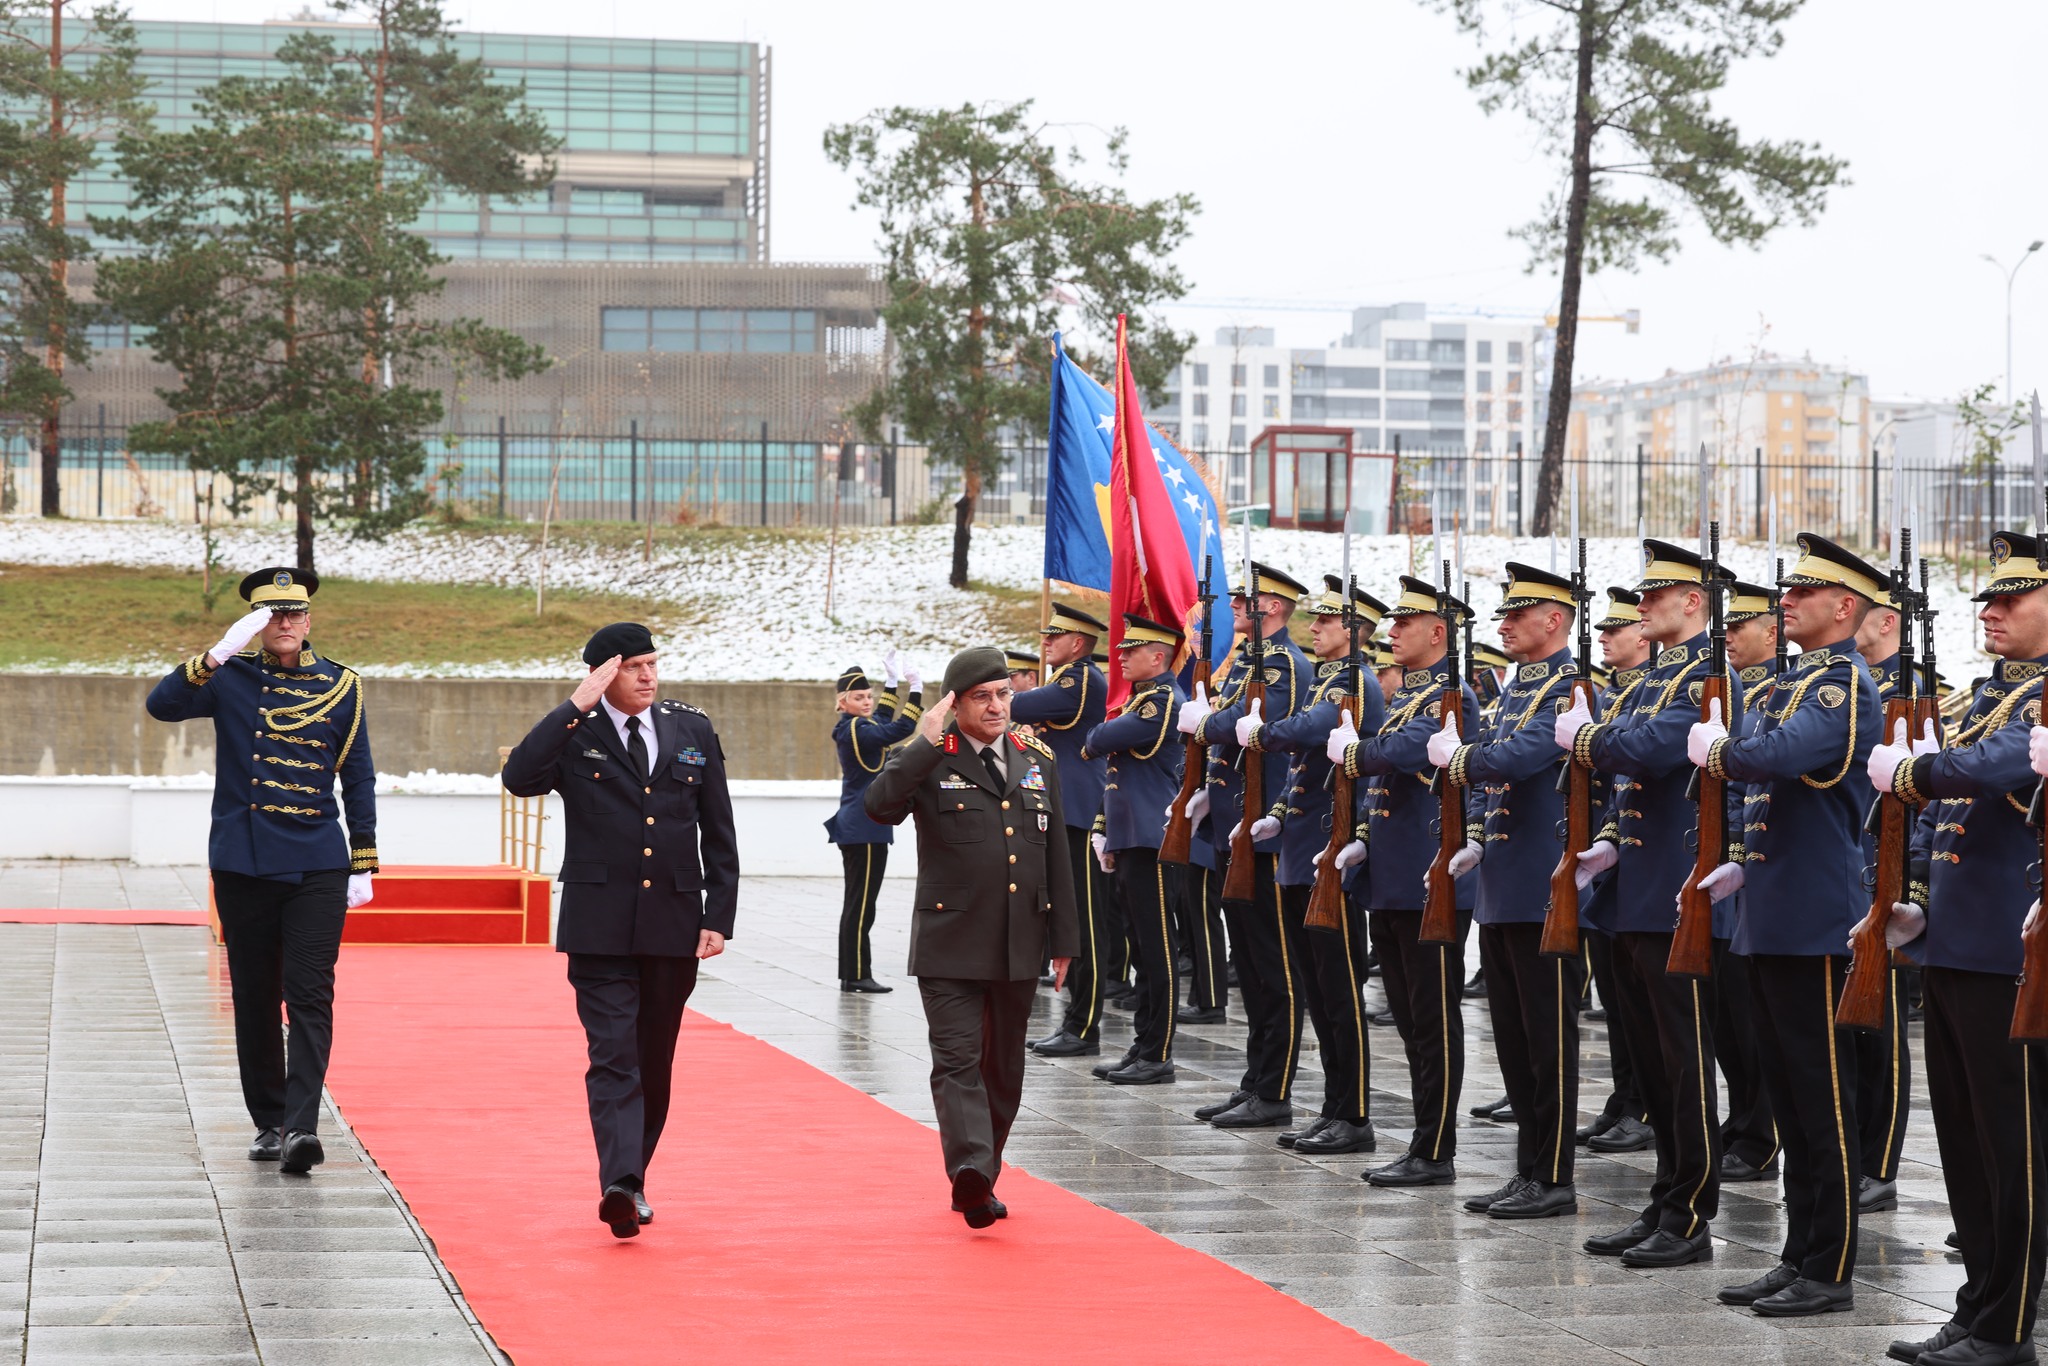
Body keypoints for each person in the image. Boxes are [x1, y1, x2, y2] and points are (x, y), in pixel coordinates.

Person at [1873, 531, 2048, 1366]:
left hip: (2013, 955)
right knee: (1965, 1142)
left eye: (2013, 599)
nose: (1991, 612)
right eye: (1989, 599)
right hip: (1952, 944)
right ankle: (1977, 1305)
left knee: (2015, 1147)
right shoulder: (1988, 696)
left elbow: (1989, 768)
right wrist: (1911, 895)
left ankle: (2008, 1326)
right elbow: (1946, 807)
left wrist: (1915, 771)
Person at [1692, 535, 1879, 1317]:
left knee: (1823, 1100)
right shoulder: (1790, 683)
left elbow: (1781, 753)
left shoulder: (1842, 687)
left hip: (1814, 920)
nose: (1787, 602)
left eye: (1804, 593)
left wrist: (1723, 750)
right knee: (1792, 1100)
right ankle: (1798, 1252)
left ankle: (1829, 1266)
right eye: (1788, 591)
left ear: (1845, 607)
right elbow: (1761, 774)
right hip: (1769, 916)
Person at [502, 623, 739, 1238]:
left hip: (674, 923)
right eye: (633, 666)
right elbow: (520, 778)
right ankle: (620, 1184)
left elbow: (718, 827)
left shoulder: (690, 728)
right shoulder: (575, 730)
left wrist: (719, 916)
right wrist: (576, 705)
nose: (648, 676)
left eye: (651, 663)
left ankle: (633, 1178)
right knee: (613, 1057)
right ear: (602, 674)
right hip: (599, 925)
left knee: (653, 1062)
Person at [145, 567, 377, 1177]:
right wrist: (219, 652)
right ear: (255, 621)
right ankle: (270, 1121)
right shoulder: (231, 677)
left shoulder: (342, 685)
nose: (285, 623)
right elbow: (162, 706)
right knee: (254, 995)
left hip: (316, 861)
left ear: (309, 619)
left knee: (309, 993)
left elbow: (358, 777)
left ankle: (302, 1127)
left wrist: (363, 859)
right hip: (245, 863)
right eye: (272, 614)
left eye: (294, 612)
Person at [1553, 540, 1744, 1269]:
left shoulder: (1708, 678)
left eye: (1655, 595)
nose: (1641, 606)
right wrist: (1605, 840)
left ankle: (1690, 1214)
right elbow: (1625, 774)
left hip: (1676, 896)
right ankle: (1665, 1199)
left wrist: (1592, 738)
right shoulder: (1653, 677)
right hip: (1632, 892)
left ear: (1694, 602)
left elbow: (1652, 748)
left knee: (1684, 1064)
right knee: (1653, 1064)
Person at [863, 648, 1080, 1228]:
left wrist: (1065, 938)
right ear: (954, 705)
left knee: (1002, 1070)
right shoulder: (931, 756)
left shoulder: (1036, 758)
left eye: (1004, 693)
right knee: (958, 1061)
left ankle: (983, 1172)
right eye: (982, 697)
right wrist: (924, 742)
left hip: (1019, 939)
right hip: (950, 941)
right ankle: (970, 1173)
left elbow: (1057, 853)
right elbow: (878, 806)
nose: (997, 706)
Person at [1431, 563, 1584, 1219]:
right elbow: (1495, 774)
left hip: (1543, 887)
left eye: (1516, 616)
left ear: (1554, 620)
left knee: (1548, 1040)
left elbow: (1519, 758)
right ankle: (1527, 1168)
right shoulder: (1521, 687)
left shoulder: (1569, 688)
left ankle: (1553, 1175)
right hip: (1502, 882)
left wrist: (1460, 758)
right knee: (1515, 1041)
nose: (1504, 626)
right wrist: (1471, 833)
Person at [1328, 574, 1480, 1187]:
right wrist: (1364, 837)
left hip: (1428, 883)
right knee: (1412, 1022)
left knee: (1432, 1021)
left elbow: (1408, 751)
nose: (1391, 632)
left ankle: (1435, 1148)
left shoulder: (1451, 697)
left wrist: (1355, 752)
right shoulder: (1409, 695)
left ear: (1438, 632)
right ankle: (1422, 1141)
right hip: (1392, 880)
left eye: (1405, 623)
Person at [1254, 576, 1387, 1155]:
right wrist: (1279, 812)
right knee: (1316, 983)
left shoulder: (1354, 681)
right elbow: (1303, 766)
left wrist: (1263, 732)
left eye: (1327, 621)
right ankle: (1334, 1106)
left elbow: (1311, 732)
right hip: (1302, 847)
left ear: (1354, 630)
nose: (1314, 627)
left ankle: (1353, 1114)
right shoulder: (1327, 679)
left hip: (1332, 849)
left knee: (1339, 989)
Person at [1179, 563, 1313, 1130]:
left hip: (1265, 832)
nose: (1235, 604)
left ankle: (1275, 1089)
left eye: (1246, 599)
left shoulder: (1282, 664)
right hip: (1234, 827)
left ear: (1273, 607)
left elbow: (1250, 723)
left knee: (1274, 967)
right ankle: (1256, 1080)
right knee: (1252, 966)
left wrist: (1204, 721)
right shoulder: (1250, 660)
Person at [1081, 615, 1190, 1085]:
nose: (1121, 657)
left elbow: (1099, 740)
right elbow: (1115, 768)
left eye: (1132, 650)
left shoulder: (1162, 701)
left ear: (1158, 657)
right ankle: (1143, 1045)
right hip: (1132, 836)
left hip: (1154, 840)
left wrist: (1104, 733)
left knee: (1158, 949)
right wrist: (1106, 828)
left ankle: (1158, 1053)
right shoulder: (1139, 701)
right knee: (1142, 950)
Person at [1014, 604, 1112, 1058]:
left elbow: (1021, 704)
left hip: (1080, 814)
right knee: (1069, 920)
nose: (1046, 641)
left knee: (1084, 922)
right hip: (1063, 811)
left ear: (1077, 643)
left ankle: (1085, 1025)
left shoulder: (1081, 679)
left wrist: (991, 691)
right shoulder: (1065, 680)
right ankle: (1075, 1020)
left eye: (1055, 636)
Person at [1578, 587, 1655, 1156]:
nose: (1604, 637)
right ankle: (1626, 1098)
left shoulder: (1652, 694)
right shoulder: (1616, 695)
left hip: (1645, 856)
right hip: (1611, 854)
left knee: (1647, 1006)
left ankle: (1644, 1106)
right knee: (1618, 999)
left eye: (1616, 629)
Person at [1712, 582, 1784, 1186]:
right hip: (1735, 868)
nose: (1729, 634)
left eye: (1741, 625)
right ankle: (1742, 1123)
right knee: (1729, 1020)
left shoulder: (1787, 693)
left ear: (1773, 631)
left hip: (1774, 872)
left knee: (1755, 1020)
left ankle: (1761, 1135)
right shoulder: (1741, 692)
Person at [1850, 584, 1914, 1215]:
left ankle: (1881, 1163)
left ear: (1887, 620)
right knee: (1855, 1024)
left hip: (1887, 866)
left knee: (1883, 1030)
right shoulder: (1858, 680)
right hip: (1855, 862)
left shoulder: (1908, 689)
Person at [824, 656, 923, 993]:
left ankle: (854, 973)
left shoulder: (858, 726)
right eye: (859, 698)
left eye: (869, 696)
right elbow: (899, 729)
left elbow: (882, 718)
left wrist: (892, 684)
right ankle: (855, 974)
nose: (867, 702)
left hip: (861, 826)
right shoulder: (857, 729)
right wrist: (916, 690)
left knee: (859, 902)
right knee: (861, 904)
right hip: (863, 827)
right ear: (842, 702)